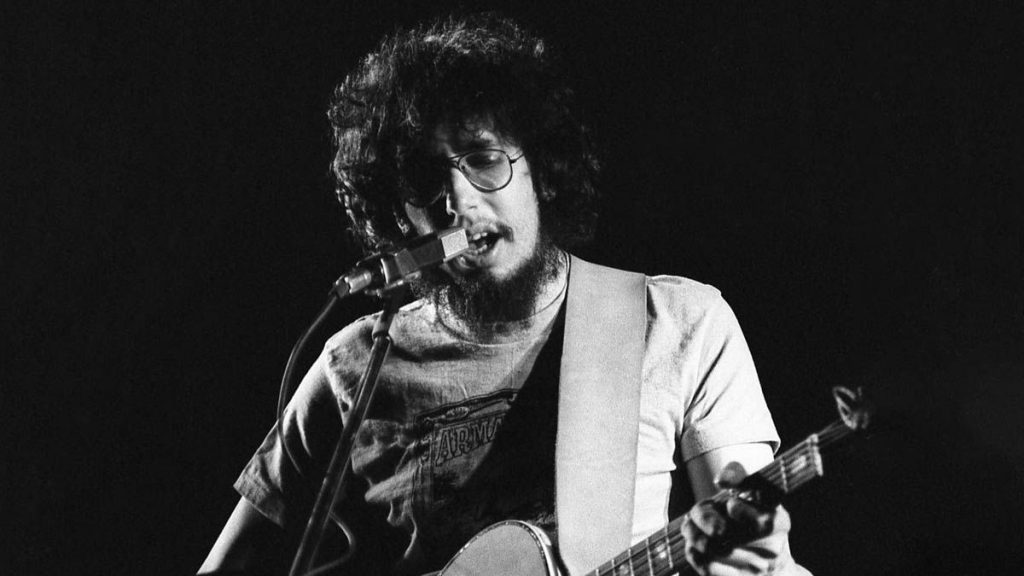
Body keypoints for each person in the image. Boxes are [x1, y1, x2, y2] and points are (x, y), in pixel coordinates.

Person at [200, 13, 811, 576]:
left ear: (541, 170)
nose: (458, 201)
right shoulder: (354, 365)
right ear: (398, 213)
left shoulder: (677, 322)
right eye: (424, 177)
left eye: (483, 158)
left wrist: (755, 559)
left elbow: (758, 552)